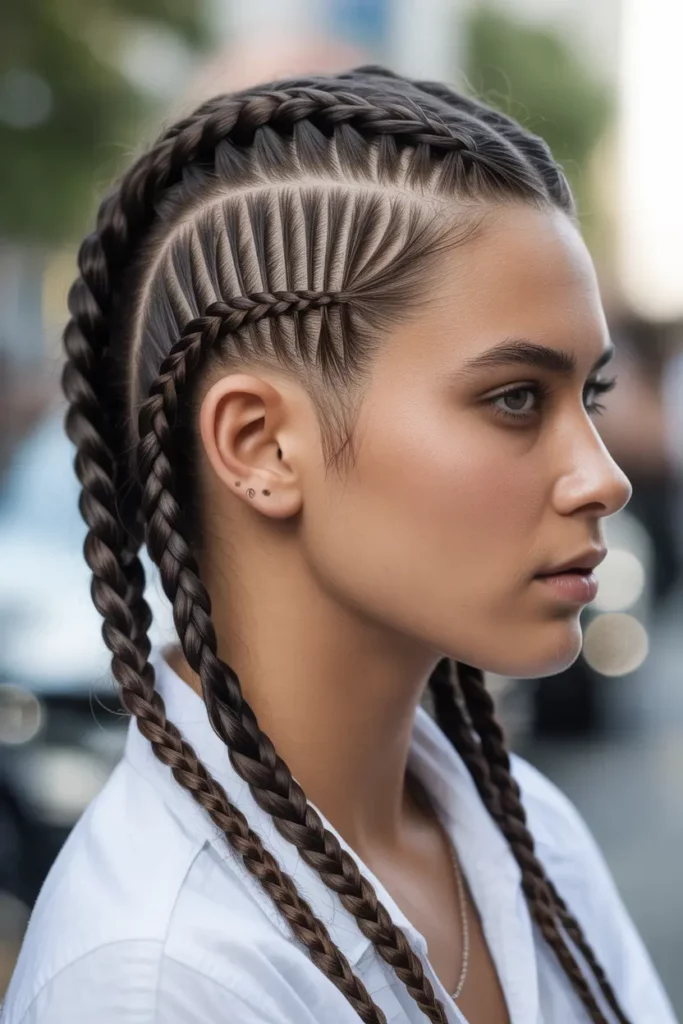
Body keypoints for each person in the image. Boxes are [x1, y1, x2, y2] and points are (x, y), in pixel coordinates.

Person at [1, 66, 677, 1024]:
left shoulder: (526, 833)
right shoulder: (153, 979)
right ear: (261, 445)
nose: (603, 476)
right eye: (516, 398)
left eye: (590, 398)